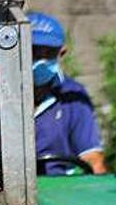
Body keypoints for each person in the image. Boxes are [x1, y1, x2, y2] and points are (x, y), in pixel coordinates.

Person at [29, 11, 108, 175]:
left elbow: (92, 158)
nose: (40, 61)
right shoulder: (1, 97)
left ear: (60, 53)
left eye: (48, 53)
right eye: (34, 52)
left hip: (61, 185)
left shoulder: (72, 97)